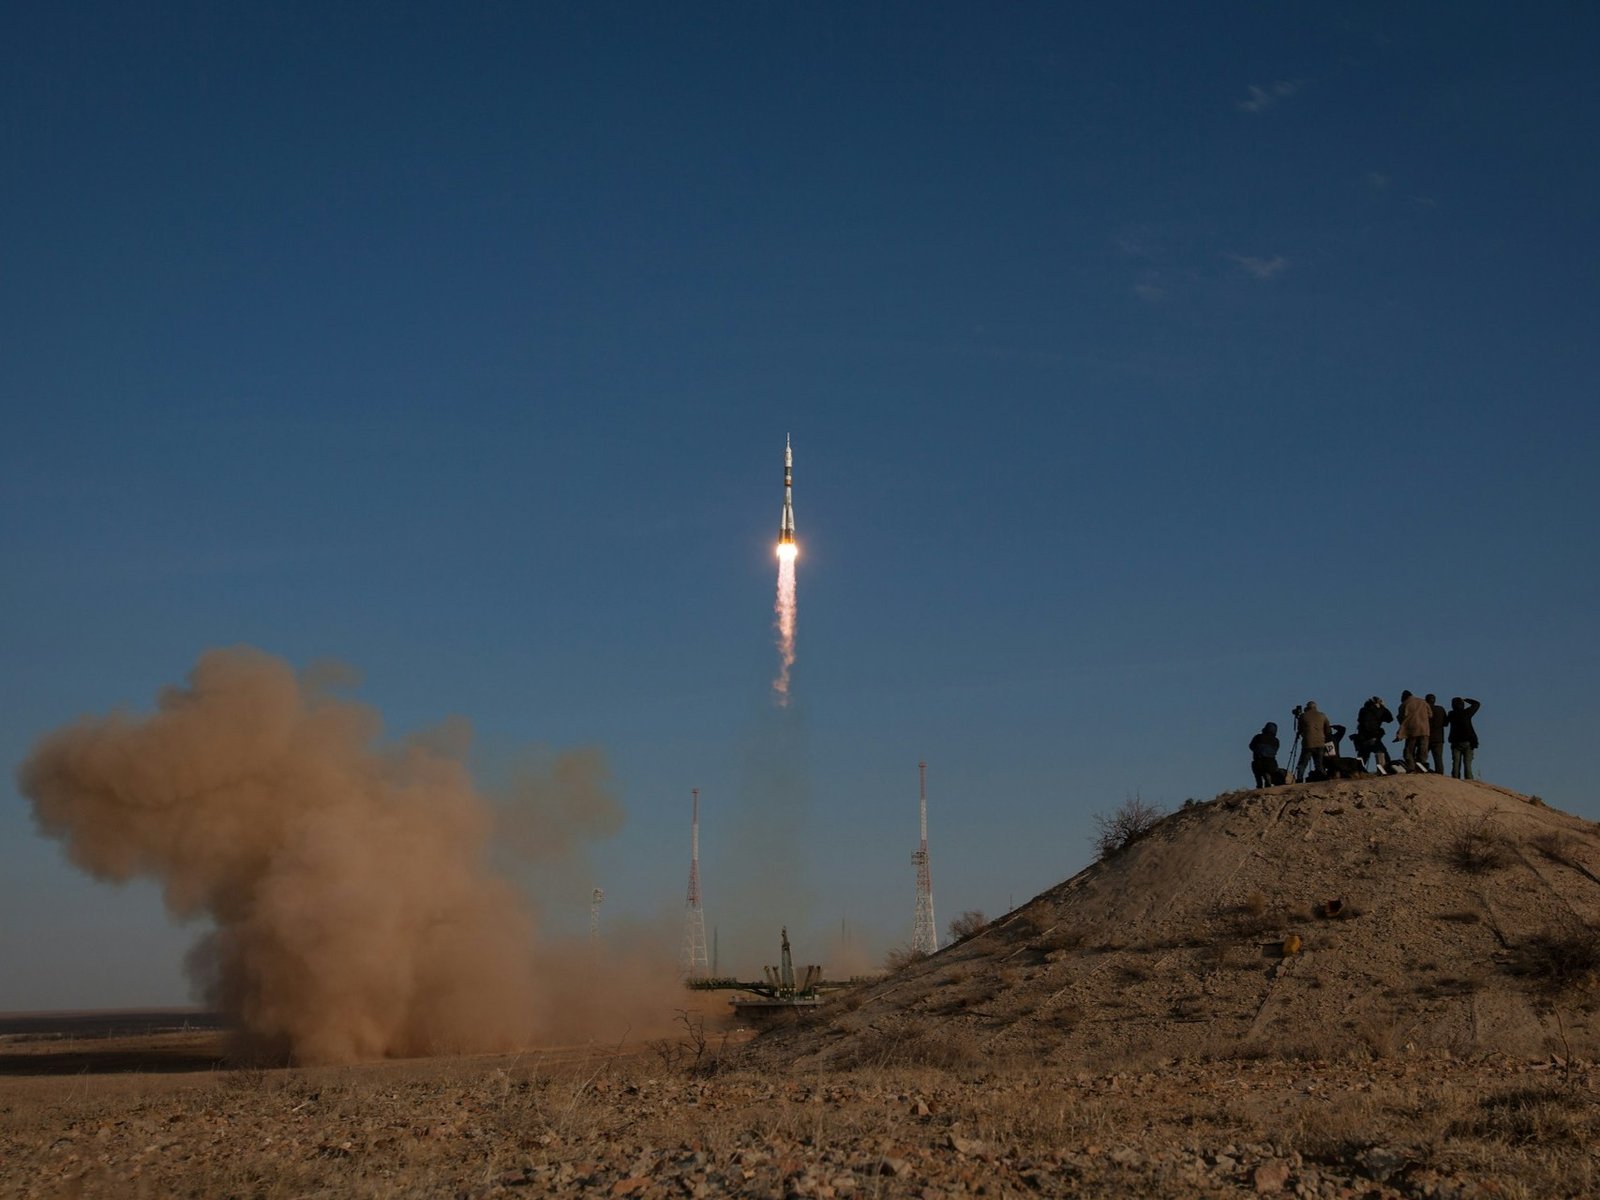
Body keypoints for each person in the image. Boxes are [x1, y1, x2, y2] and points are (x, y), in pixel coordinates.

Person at [1445, 696, 1481, 779]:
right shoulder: (1466, 713)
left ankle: (1455, 778)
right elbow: (1477, 704)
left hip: (1455, 741)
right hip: (1468, 741)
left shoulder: (1451, 714)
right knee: (1467, 762)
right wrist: (1466, 699)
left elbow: (1445, 722)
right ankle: (1468, 779)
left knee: (1456, 762)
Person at [1355, 697, 1393, 772]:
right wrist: (1383, 707)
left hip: (1362, 738)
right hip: (1373, 737)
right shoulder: (1379, 710)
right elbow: (1389, 719)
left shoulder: (1363, 710)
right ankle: (1385, 770)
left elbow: (1359, 720)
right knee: (1382, 753)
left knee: (1362, 757)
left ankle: (1357, 772)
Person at [1395, 690, 1431, 772]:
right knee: (1423, 750)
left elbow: (1400, 718)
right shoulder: (1423, 702)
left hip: (1411, 731)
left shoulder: (1403, 704)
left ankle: (1411, 767)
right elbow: (1430, 714)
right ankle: (1422, 767)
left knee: (1409, 751)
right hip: (1424, 730)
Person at [1296, 701, 1330, 782]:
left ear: (1307, 707)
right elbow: (1328, 730)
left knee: (1303, 764)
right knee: (1319, 764)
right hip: (1320, 743)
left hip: (1307, 744)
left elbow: (1300, 730)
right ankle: (1322, 779)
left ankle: (1299, 779)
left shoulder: (1303, 716)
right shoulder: (1323, 715)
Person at [1249, 722, 1280, 788]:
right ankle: (1267, 780)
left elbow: (1251, 746)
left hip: (1259, 762)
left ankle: (1259, 785)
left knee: (1256, 767)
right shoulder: (1276, 741)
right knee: (1266, 770)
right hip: (1272, 764)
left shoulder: (1258, 737)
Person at [1426, 694, 1447, 775]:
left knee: (1421, 756)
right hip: (1439, 737)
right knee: (1438, 757)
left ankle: (1420, 769)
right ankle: (1439, 774)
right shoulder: (1440, 709)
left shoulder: (1424, 709)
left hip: (1426, 736)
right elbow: (1446, 723)